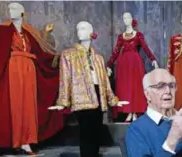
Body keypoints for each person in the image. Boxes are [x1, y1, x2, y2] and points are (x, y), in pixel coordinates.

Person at [0, 3, 64, 155]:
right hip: (13, 69)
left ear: (22, 13)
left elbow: (41, 49)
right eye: (9, 9)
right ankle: (16, 140)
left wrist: (46, 34)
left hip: (29, 70)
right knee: (16, 105)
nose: (11, 11)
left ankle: (27, 142)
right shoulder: (4, 30)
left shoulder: (29, 32)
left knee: (29, 105)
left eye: (15, 9)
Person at [48, 21, 129, 157]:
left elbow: (104, 81)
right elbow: (65, 79)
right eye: (78, 28)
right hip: (82, 97)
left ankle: (94, 154)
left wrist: (113, 100)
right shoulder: (68, 55)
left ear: (91, 33)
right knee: (86, 132)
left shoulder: (98, 58)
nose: (80, 31)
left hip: (98, 95)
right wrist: (62, 101)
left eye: (84, 28)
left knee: (96, 131)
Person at [125, 68, 182, 157]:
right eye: (160, 86)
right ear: (147, 94)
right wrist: (171, 142)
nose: (168, 91)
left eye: (171, 85)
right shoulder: (136, 130)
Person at [107, 12, 159, 122]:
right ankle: (129, 112)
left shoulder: (138, 35)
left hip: (135, 64)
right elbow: (116, 51)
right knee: (126, 87)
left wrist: (153, 59)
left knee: (135, 87)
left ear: (132, 19)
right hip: (124, 65)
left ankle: (135, 112)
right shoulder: (121, 37)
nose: (126, 19)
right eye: (124, 18)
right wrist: (109, 64)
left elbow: (145, 47)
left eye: (128, 17)